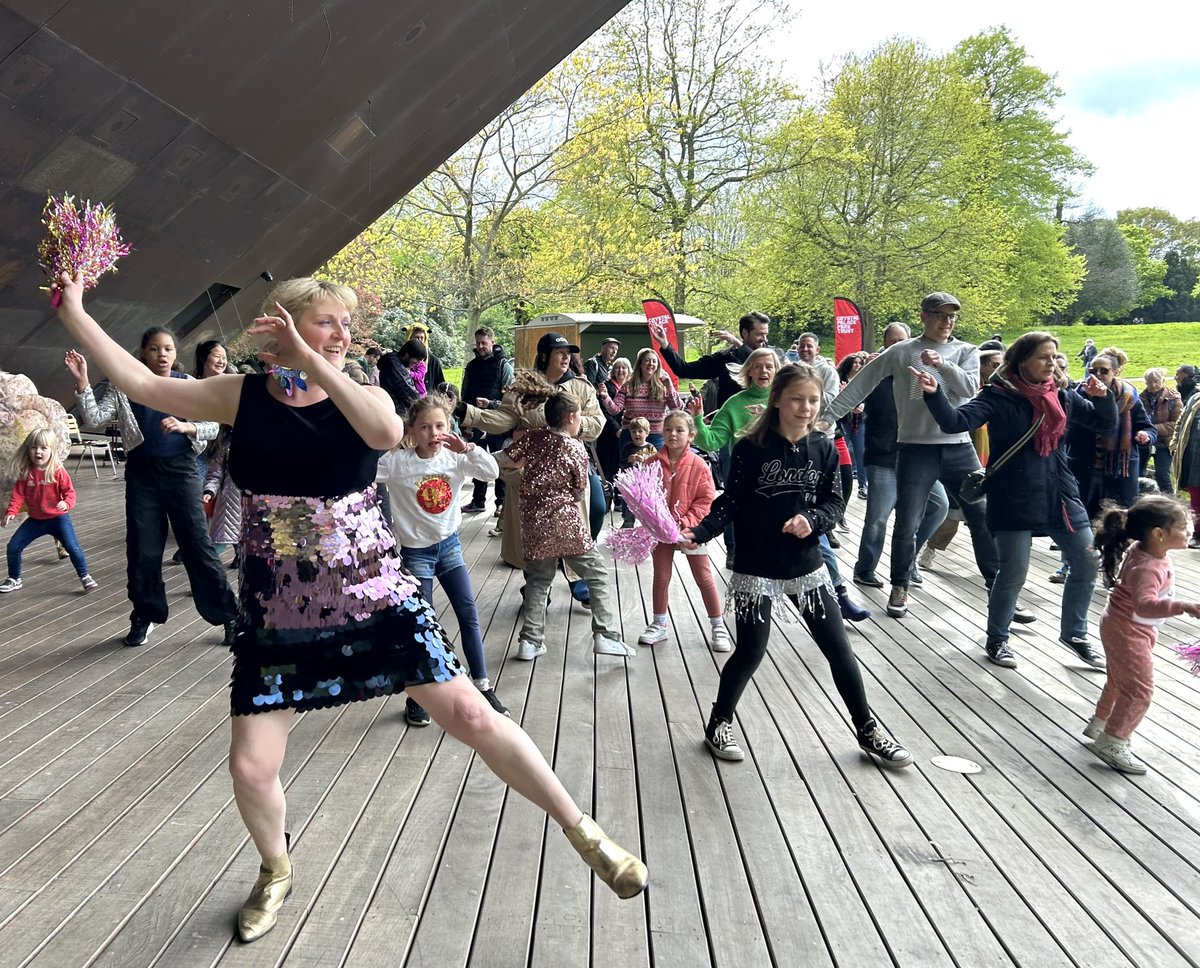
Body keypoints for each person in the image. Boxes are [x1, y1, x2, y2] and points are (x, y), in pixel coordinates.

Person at [52, 271, 648, 942]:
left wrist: (314, 365)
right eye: (327, 321)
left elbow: (383, 430)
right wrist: (74, 310)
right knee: (250, 764)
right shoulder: (242, 397)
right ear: (290, 323)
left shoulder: (364, 396)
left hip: (374, 597)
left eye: (345, 324)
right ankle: (275, 869)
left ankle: (585, 831)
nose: (341, 334)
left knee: (471, 713)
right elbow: (143, 386)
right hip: (280, 611)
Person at [681, 365, 911, 768]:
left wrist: (814, 521)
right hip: (756, 565)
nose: (806, 408)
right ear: (778, 401)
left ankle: (868, 729)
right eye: (797, 399)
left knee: (839, 650)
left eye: (813, 400)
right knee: (751, 650)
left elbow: (835, 502)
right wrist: (699, 533)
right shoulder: (751, 448)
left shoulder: (824, 445)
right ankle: (719, 722)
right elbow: (730, 504)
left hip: (807, 565)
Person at [914, 332, 1114, 669]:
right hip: (1013, 494)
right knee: (1013, 572)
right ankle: (997, 638)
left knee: (1086, 561)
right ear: (1021, 362)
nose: (1052, 363)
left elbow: (1104, 422)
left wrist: (1104, 397)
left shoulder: (1061, 397)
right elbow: (954, 422)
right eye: (1043, 357)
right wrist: (934, 394)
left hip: (1059, 493)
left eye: (1054, 357)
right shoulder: (998, 396)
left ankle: (1075, 633)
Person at [820, 292, 999, 620]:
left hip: (959, 446)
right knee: (907, 520)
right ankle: (899, 586)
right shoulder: (900, 352)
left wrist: (943, 365)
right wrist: (828, 417)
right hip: (915, 449)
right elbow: (862, 384)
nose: (947, 322)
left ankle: (998, 590)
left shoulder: (966, 351)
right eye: (940, 315)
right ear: (924, 316)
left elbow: (969, 389)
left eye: (952, 316)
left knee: (982, 517)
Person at [66, 336, 236, 648]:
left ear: (175, 353)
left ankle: (228, 615)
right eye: (155, 349)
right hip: (142, 474)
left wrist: (188, 427)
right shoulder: (125, 385)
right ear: (143, 352)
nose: (162, 354)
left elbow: (213, 425)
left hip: (181, 471)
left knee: (197, 546)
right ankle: (144, 614)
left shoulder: (187, 384)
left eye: (168, 349)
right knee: (142, 550)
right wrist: (83, 382)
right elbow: (94, 418)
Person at [377, 394, 509, 720]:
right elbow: (361, 473)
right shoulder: (397, 463)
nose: (433, 433)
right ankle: (421, 695)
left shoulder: (455, 458)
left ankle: (482, 685)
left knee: (469, 614)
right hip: (416, 552)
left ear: (449, 427)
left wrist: (466, 448)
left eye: (440, 425)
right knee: (424, 624)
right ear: (411, 430)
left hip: (449, 548)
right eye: (424, 427)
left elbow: (491, 472)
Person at [457, 333, 607, 601]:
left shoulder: (582, 388)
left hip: (571, 463)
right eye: (559, 352)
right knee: (531, 526)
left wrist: (565, 429)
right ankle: (537, 584)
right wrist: (468, 412)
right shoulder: (524, 386)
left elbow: (597, 423)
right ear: (545, 355)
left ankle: (576, 570)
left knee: (595, 508)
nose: (566, 357)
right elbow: (504, 418)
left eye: (568, 353)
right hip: (533, 468)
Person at [504, 393, 634, 660]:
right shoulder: (576, 448)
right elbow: (579, 490)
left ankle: (530, 641)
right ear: (572, 418)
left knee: (539, 581)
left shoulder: (531, 438)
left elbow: (506, 459)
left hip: (534, 523)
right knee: (596, 574)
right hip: (566, 523)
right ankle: (606, 635)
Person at [1086, 496, 1200, 774]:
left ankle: (1100, 725)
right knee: (1139, 690)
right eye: (1184, 527)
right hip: (1128, 630)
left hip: (1122, 625)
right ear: (1159, 534)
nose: (1190, 531)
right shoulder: (1148, 566)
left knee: (1119, 680)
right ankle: (1113, 741)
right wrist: (1184, 606)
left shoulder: (1147, 551)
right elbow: (1145, 604)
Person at [854, 322, 949, 590]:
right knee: (878, 519)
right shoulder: (875, 374)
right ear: (884, 344)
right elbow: (852, 391)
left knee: (939, 506)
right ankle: (865, 568)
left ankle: (907, 561)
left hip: (916, 457)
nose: (897, 346)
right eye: (891, 341)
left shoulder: (918, 375)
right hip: (883, 456)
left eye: (902, 341)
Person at [636, 410, 732, 651]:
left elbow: (705, 499)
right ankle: (659, 623)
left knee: (703, 576)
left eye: (679, 430)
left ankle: (718, 624)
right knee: (661, 575)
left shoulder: (700, 466)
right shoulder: (651, 463)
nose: (673, 434)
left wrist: (686, 524)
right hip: (660, 531)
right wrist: (657, 522)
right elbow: (643, 496)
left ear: (692, 435)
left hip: (691, 531)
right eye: (668, 429)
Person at [1, 428, 98, 594]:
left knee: (72, 547)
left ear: (52, 450)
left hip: (58, 519)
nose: (38, 451)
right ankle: (14, 578)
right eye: (33, 447)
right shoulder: (26, 472)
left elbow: (70, 493)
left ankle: (85, 576)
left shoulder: (58, 471)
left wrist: (66, 503)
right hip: (36, 521)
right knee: (13, 546)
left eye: (43, 448)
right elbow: (18, 495)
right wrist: (11, 512)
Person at [1083, 348, 1155, 513]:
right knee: (1086, 516)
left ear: (1115, 372)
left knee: (1122, 516)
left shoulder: (1130, 397)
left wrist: (1145, 435)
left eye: (1104, 370)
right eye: (1093, 370)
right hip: (1087, 463)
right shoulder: (1080, 393)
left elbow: (1146, 426)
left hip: (1122, 466)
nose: (1098, 374)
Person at [652, 311, 771, 407]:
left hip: (761, 424)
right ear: (745, 333)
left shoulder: (774, 356)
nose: (764, 339)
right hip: (730, 424)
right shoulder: (725, 358)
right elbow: (683, 369)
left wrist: (737, 343)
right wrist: (665, 344)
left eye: (766, 334)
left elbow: (759, 360)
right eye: (760, 334)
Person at [459, 327, 514, 515]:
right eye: (478, 343)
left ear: (492, 341)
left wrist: (491, 403)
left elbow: (510, 400)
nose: (481, 346)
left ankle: (501, 503)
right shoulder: (472, 366)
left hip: (498, 423)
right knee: (477, 462)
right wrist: (464, 421)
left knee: (499, 463)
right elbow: (464, 394)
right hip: (475, 422)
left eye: (484, 343)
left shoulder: (503, 366)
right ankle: (478, 501)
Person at [599, 347, 683, 450]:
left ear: (657, 365)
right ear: (640, 364)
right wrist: (605, 396)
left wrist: (670, 386)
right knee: (629, 465)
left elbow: (677, 407)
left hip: (655, 436)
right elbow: (615, 409)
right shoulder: (628, 386)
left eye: (654, 361)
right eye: (647, 360)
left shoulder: (664, 385)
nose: (650, 364)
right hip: (631, 435)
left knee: (656, 466)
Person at [1139, 368, 1181, 494]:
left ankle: (1170, 506)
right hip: (1143, 442)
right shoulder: (1139, 398)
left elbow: (1176, 424)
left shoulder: (1173, 398)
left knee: (1162, 475)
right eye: (1149, 382)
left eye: (1156, 381)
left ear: (1163, 380)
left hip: (1164, 443)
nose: (1153, 385)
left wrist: (1152, 429)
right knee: (1137, 475)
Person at [1170, 388, 1200, 548]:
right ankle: (1198, 533)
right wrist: (1174, 443)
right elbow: (1180, 421)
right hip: (1193, 457)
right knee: (1196, 499)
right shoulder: (1195, 398)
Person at [837, 353, 869, 499]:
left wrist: (863, 406)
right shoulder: (840, 380)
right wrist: (849, 407)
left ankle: (863, 485)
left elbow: (869, 397)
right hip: (845, 421)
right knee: (841, 453)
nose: (857, 366)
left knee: (861, 452)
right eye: (855, 363)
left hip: (860, 420)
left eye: (860, 363)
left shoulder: (864, 380)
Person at [596, 356, 631, 486]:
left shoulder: (630, 386)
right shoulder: (607, 386)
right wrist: (616, 428)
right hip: (609, 432)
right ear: (613, 371)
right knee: (608, 465)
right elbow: (604, 410)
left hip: (626, 431)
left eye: (624, 367)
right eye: (617, 367)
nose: (621, 370)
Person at [618, 417, 658, 528]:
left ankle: (647, 521)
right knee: (628, 500)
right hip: (631, 480)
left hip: (645, 481)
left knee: (644, 501)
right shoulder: (628, 448)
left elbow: (656, 465)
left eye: (640, 431)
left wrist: (645, 461)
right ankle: (628, 519)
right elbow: (621, 463)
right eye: (634, 432)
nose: (637, 434)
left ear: (647, 433)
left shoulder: (650, 448)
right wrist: (628, 460)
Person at [377, 339, 427, 415]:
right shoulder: (394, 366)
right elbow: (410, 394)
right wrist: (424, 408)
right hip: (398, 414)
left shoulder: (394, 363)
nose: (417, 363)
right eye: (417, 359)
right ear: (407, 354)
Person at [403, 322, 445, 395]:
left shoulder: (433, 361)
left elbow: (440, 384)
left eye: (422, 338)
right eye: (416, 338)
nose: (419, 340)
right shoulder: (400, 359)